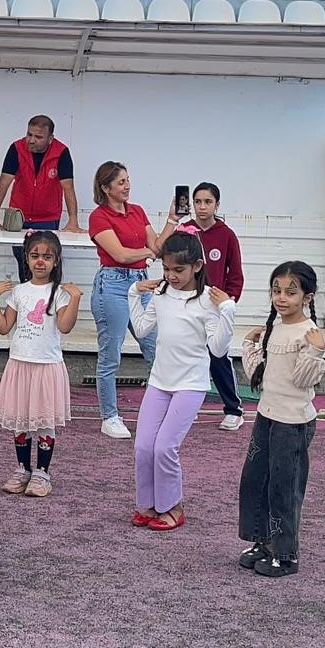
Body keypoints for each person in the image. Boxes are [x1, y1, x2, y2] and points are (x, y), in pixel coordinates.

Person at [127, 230, 236, 531]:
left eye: (178, 270)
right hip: (159, 382)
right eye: (166, 269)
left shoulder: (208, 301)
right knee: (143, 446)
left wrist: (228, 311)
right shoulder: (161, 294)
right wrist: (134, 294)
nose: (171, 276)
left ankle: (172, 506)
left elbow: (217, 349)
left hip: (191, 385)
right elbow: (141, 327)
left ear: (198, 266)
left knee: (164, 447)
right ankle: (148, 505)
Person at [237, 261, 325, 578]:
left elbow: (303, 380)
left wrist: (314, 353)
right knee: (255, 481)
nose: (282, 298)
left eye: (291, 292)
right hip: (266, 416)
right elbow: (259, 376)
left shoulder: (308, 333)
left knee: (283, 488)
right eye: (277, 291)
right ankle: (262, 542)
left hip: (293, 422)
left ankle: (285, 554)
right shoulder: (274, 328)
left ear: (308, 297)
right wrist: (249, 344)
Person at [0, 230, 83, 498]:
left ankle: (42, 473)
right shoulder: (18, 292)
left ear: (56, 260)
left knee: (43, 422)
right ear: (27, 259)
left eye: (47, 257)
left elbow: (64, 326)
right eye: (35, 256)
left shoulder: (61, 293)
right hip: (20, 364)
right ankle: (21, 469)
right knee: (21, 420)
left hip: (46, 366)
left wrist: (75, 299)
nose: (40, 261)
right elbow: (4, 327)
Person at [89, 161, 177, 440]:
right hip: (113, 283)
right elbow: (119, 254)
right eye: (120, 182)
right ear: (105, 188)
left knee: (156, 347)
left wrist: (172, 221)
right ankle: (110, 416)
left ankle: (157, 409)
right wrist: (148, 252)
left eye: (127, 180)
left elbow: (158, 247)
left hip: (142, 282)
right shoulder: (98, 216)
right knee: (111, 352)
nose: (127, 186)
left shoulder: (137, 211)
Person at [0, 115, 83, 280]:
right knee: (24, 264)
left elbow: (68, 188)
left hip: (47, 219)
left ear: (50, 139)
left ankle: (47, 303)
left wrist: (73, 220)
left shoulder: (61, 152)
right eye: (29, 134)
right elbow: (3, 183)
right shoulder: (16, 148)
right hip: (18, 218)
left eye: (38, 137)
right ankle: (26, 302)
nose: (31, 140)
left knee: (46, 264)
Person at [189, 182, 247, 431]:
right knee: (188, 358)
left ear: (217, 205)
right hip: (188, 305)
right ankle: (187, 407)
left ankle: (234, 409)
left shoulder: (226, 235)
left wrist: (228, 301)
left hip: (214, 308)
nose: (202, 207)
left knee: (218, 356)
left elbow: (235, 274)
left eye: (208, 202)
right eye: (198, 202)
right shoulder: (185, 232)